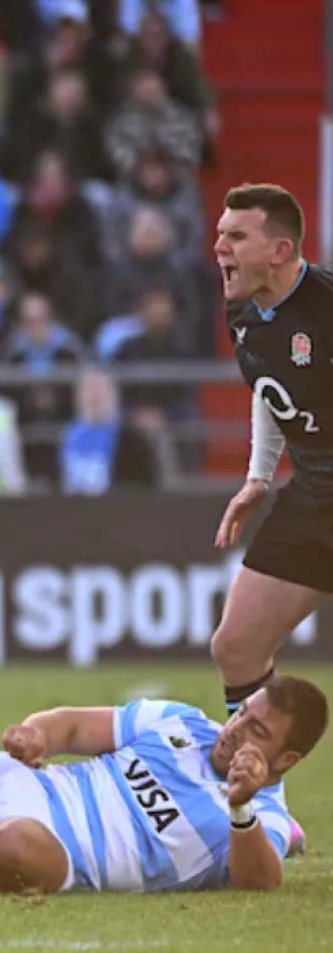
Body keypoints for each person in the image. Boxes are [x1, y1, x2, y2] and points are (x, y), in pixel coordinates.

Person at [0, 675, 326, 899]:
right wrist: (35, 733)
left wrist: (241, 808)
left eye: (257, 732)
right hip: (23, 783)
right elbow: (69, 726)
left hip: (63, 851)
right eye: (243, 714)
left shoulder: (265, 821)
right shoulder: (179, 722)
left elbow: (260, 882)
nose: (235, 731)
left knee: (16, 844)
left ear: (286, 759)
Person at [212, 185, 333, 722]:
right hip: (313, 493)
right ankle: (257, 800)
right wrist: (259, 476)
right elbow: (269, 388)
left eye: (236, 236)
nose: (219, 248)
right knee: (236, 646)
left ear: (280, 252)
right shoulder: (242, 310)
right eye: (220, 235)